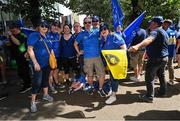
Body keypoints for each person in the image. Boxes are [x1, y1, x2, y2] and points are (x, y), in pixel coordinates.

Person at [129, 16, 169, 103]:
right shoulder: (164, 31)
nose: (150, 24)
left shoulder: (155, 31)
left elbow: (149, 39)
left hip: (155, 59)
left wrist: (137, 46)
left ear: (155, 24)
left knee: (149, 77)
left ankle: (149, 96)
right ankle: (163, 92)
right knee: (161, 75)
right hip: (164, 58)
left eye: (151, 23)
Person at [74, 17, 106, 97]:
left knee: (102, 74)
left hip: (98, 57)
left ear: (91, 23)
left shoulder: (97, 31)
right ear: (83, 24)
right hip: (87, 58)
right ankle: (91, 87)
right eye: (86, 23)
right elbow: (75, 44)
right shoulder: (81, 34)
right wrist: (79, 52)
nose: (88, 24)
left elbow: (105, 35)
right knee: (90, 75)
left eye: (89, 22)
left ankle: (100, 89)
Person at [27, 20, 53, 113]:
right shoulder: (34, 35)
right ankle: (32, 102)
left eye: (46, 25)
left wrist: (53, 59)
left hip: (47, 63)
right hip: (38, 64)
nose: (44, 27)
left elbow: (50, 49)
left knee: (45, 79)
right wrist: (35, 62)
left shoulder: (47, 36)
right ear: (39, 27)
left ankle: (45, 95)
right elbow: (30, 49)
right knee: (37, 82)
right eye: (42, 25)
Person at [100, 23, 126, 104]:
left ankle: (113, 95)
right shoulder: (102, 39)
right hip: (107, 62)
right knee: (111, 77)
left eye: (105, 29)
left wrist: (117, 56)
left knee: (114, 78)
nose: (103, 31)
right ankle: (112, 90)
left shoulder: (114, 36)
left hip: (115, 62)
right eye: (101, 29)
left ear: (108, 29)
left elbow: (124, 47)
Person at [8, 22, 31, 93]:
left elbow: (18, 43)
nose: (11, 30)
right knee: (20, 72)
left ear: (17, 28)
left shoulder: (22, 35)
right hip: (16, 56)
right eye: (10, 29)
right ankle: (25, 82)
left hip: (23, 56)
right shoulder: (12, 35)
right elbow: (12, 44)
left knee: (24, 71)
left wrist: (11, 35)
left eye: (12, 28)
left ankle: (27, 85)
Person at [47, 21, 64, 94]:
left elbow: (61, 29)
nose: (55, 27)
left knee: (56, 70)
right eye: (54, 26)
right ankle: (51, 86)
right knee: (50, 72)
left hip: (58, 56)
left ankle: (56, 83)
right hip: (51, 57)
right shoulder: (47, 35)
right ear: (51, 27)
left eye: (57, 26)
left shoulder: (58, 34)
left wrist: (63, 21)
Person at [162, 19, 176, 85]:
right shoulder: (173, 32)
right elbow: (172, 43)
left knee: (161, 66)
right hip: (171, 52)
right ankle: (171, 80)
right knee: (170, 66)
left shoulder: (164, 32)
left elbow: (166, 43)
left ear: (165, 24)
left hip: (165, 52)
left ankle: (159, 79)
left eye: (163, 23)